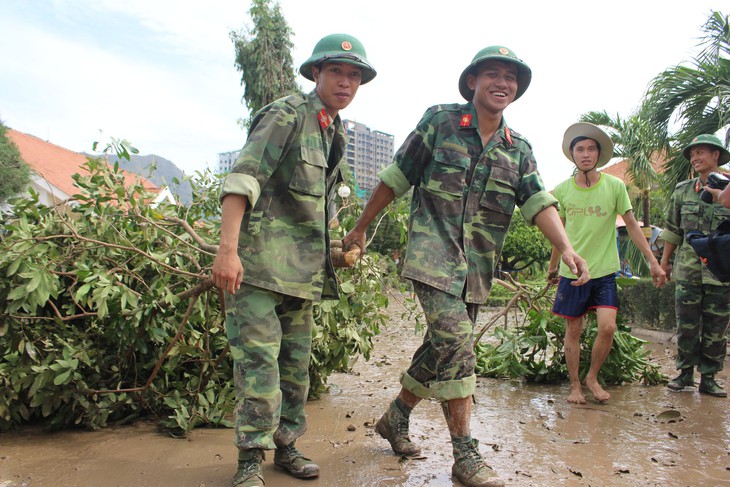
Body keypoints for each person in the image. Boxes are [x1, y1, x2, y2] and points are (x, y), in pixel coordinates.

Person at [343, 45, 589, 487]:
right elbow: (396, 176)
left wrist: (567, 249)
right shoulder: (439, 122)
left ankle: (395, 418)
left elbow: (538, 204)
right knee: (458, 347)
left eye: (510, 77)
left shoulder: (519, 150)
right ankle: (465, 456)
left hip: (477, 270)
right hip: (430, 256)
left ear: (517, 89)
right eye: (492, 74)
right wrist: (361, 228)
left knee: (438, 350)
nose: (502, 83)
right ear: (472, 81)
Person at [212, 33, 376, 487]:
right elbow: (244, 178)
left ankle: (286, 447)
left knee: (295, 371)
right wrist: (227, 251)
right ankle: (249, 458)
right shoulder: (287, 114)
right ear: (315, 74)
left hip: (301, 277)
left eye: (354, 75)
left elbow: (307, 210)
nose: (346, 81)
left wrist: (336, 255)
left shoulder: (332, 131)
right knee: (258, 366)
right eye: (337, 72)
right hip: (259, 270)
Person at [547, 123, 667, 405]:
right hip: (572, 272)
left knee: (607, 328)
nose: (585, 154)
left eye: (591, 149)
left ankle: (592, 376)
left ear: (599, 155)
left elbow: (632, 225)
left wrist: (653, 261)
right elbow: (558, 235)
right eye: (580, 149)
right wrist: (553, 268)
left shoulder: (615, 186)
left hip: (604, 271)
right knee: (573, 330)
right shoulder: (562, 191)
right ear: (572, 155)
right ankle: (575, 385)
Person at [659, 134, 730, 397]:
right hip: (688, 269)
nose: (695, 158)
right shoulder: (682, 191)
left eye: (701, 152)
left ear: (716, 155)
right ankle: (685, 373)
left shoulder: (729, 188)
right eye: (692, 154)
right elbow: (672, 230)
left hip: (721, 272)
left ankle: (709, 377)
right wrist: (664, 264)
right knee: (686, 324)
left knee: (716, 327)